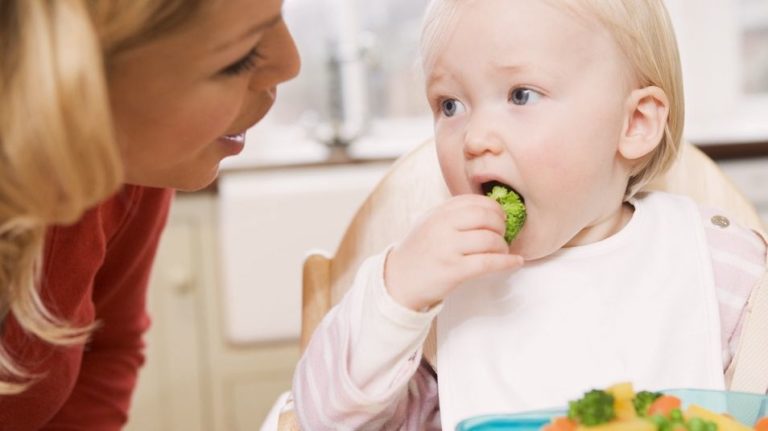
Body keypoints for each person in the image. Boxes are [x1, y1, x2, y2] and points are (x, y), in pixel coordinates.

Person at [292, 0, 768, 429]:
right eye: (450, 105)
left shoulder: (720, 266)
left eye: (521, 95)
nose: (476, 137)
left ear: (635, 123)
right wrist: (395, 298)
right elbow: (324, 421)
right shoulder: (437, 299)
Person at [0, 0, 299, 428]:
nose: (291, 65)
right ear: (66, 84)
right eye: (239, 58)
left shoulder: (133, 167)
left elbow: (106, 349)